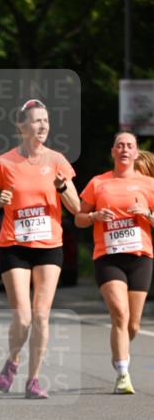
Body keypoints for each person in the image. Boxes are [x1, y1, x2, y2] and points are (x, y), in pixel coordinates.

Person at [0, 98, 81, 398]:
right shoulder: (4, 162)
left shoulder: (58, 161)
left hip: (49, 245)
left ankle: (33, 380)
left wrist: (62, 187)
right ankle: (13, 361)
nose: (43, 126)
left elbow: (76, 208)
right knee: (23, 317)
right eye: (37, 121)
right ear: (21, 127)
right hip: (14, 245)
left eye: (46, 121)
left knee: (41, 315)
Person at [76, 132, 154, 394]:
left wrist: (147, 214)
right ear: (113, 152)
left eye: (129, 146)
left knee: (133, 324)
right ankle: (122, 374)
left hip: (140, 257)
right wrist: (95, 216)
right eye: (120, 145)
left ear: (135, 153)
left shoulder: (148, 184)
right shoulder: (98, 183)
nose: (124, 149)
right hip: (108, 256)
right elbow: (79, 218)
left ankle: (120, 351)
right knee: (120, 313)